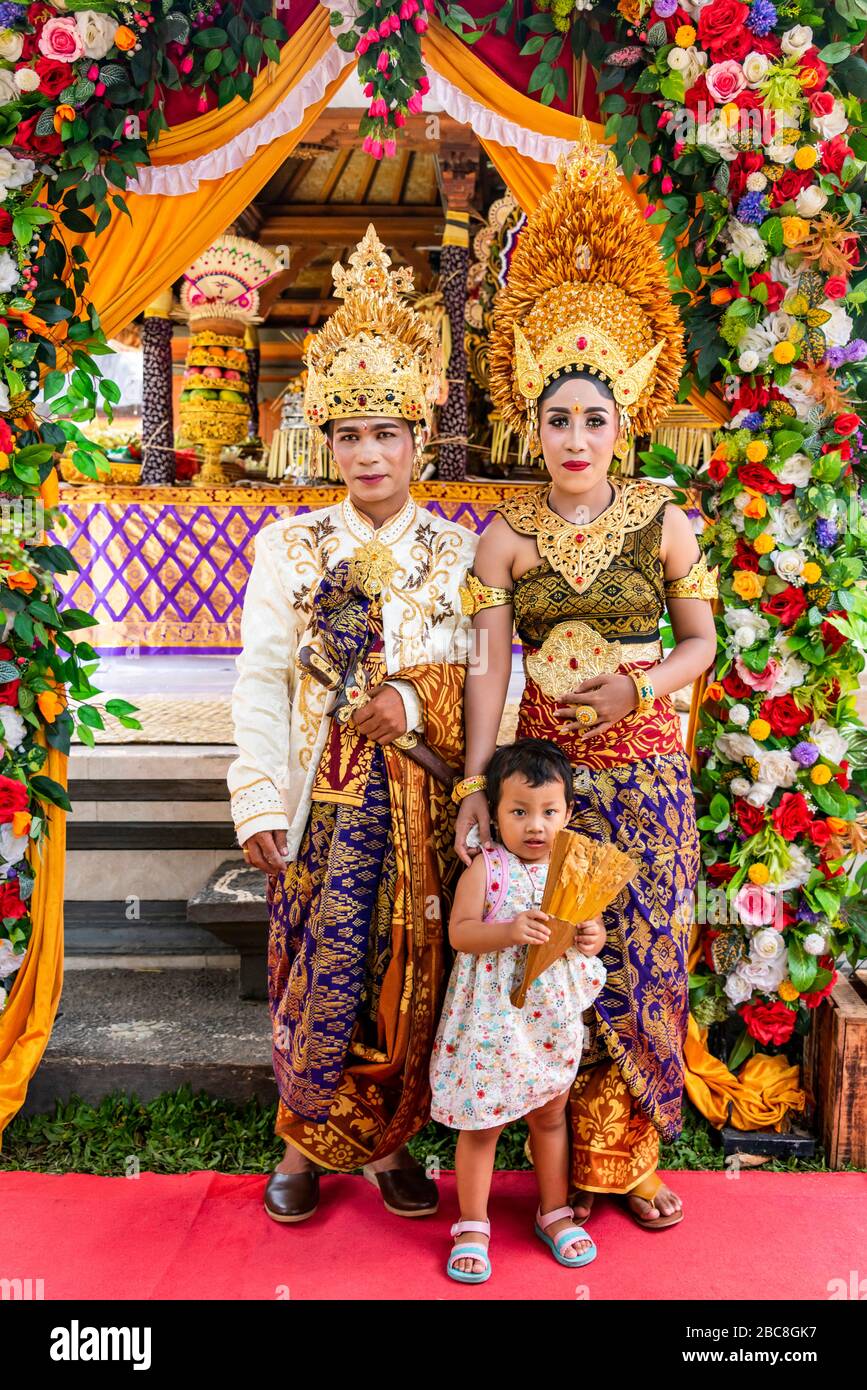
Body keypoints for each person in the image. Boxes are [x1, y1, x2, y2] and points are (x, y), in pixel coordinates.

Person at [454, 124, 718, 1230]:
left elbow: (705, 644)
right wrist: (478, 784)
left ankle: (627, 1160)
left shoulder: (668, 520)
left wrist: (641, 689)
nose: (575, 437)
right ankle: (538, 1158)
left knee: (643, 960)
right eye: (558, 417)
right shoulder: (502, 537)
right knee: (554, 961)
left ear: (625, 420)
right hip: (545, 789)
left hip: (645, 771)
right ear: (533, 415)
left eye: (595, 418)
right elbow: (486, 666)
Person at [228, 225, 477, 1224]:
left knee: (406, 970)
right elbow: (259, 677)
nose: (368, 453)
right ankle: (299, 1141)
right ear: (325, 440)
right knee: (310, 966)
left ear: (419, 436)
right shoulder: (288, 547)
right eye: (349, 434)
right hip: (317, 802)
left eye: (387, 433)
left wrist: (411, 702)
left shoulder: (459, 552)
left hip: (415, 798)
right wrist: (256, 791)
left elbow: (475, 670)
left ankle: (386, 1145)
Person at [431, 739, 606, 1283]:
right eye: (519, 811)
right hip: (492, 1023)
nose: (536, 825)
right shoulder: (487, 869)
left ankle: (552, 1210)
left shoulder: (571, 871)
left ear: (568, 814)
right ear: (494, 812)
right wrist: (507, 930)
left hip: (548, 1021)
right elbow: (459, 934)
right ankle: (473, 1221)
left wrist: (591, 936)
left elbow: (588, 936)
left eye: (549, 812)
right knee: (483, 1125)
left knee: (550, 1115)